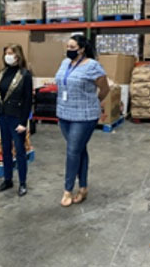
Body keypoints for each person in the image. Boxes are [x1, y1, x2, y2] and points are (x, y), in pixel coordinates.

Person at [55, 34, 109, 207]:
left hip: (84, 116)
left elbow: (105, 88)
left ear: (82, 49)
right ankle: (83, 187)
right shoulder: (65, 63)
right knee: (79, 150)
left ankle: (68, 190)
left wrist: (94, 102)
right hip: (64, 113)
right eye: (67, 47)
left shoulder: (92, 66)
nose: (68, 51)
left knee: (72, 151)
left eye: (72, 48)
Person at [0, 44, 33, 197]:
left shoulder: (25, 74)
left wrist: (23, 122)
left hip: (17, 118)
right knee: (5, 150)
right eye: (6, 53)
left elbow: (28, 100)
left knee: (20, 151)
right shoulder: (2, 73)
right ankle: (8, 179)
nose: (8, 56)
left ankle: (22, 183)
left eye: (11, 53)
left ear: (18, 56)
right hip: (3, 116)